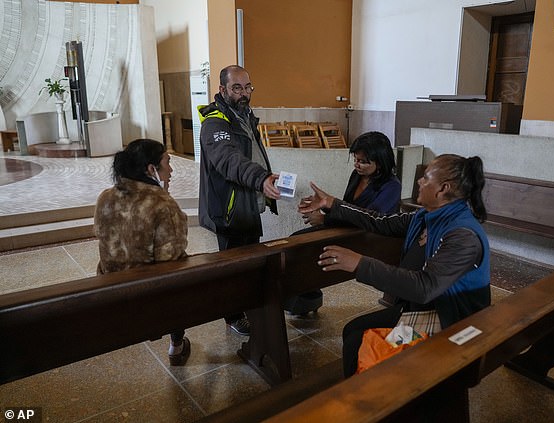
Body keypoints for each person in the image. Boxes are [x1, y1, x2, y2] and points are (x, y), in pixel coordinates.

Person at [298, 154, 490, 377]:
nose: (419, 181)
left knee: (361, 342)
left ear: (442, 189)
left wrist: (359, 263)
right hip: (424, 309)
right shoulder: (426, 216)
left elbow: (424, 287)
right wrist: (332, 204)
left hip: (452, 324)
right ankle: (364, 393)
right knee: (353, 331)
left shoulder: (462, 236)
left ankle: (374, 401)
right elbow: (379, 221)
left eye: (426, 178)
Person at [197, 65, 281, 336]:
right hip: (229, 208)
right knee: (232, 270)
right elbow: (229, 160)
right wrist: (260, 179)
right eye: (237, 88)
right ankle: (233, 316)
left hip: (247, 205)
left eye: (247, 87)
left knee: (251, 264)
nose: (244, 93)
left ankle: (250, 307)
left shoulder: (244, 115)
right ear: (222, 90)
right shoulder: (216, 122)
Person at [94, 139, 191, 366]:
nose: (171, 169)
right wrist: (163, 196)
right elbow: (172, 259)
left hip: (111, 289)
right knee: (185, 276)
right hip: (151, 297)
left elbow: (103, 238)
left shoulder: (105, 197)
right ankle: (176, 345)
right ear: (151, 169)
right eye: (167, 162)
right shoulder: (162, 204)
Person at [286, 131, 402, 315]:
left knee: (303, 248)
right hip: (346, 229)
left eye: (363, 161)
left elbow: (367, 218)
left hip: (368, 238)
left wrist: (324, 218)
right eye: (356, 159)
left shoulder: (392, 185)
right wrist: (322, 204)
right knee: (295, 242)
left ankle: (306, 298)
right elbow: (350, 207)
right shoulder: (356, 176)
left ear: (380, 161)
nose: (357, 165)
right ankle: (306, 298)